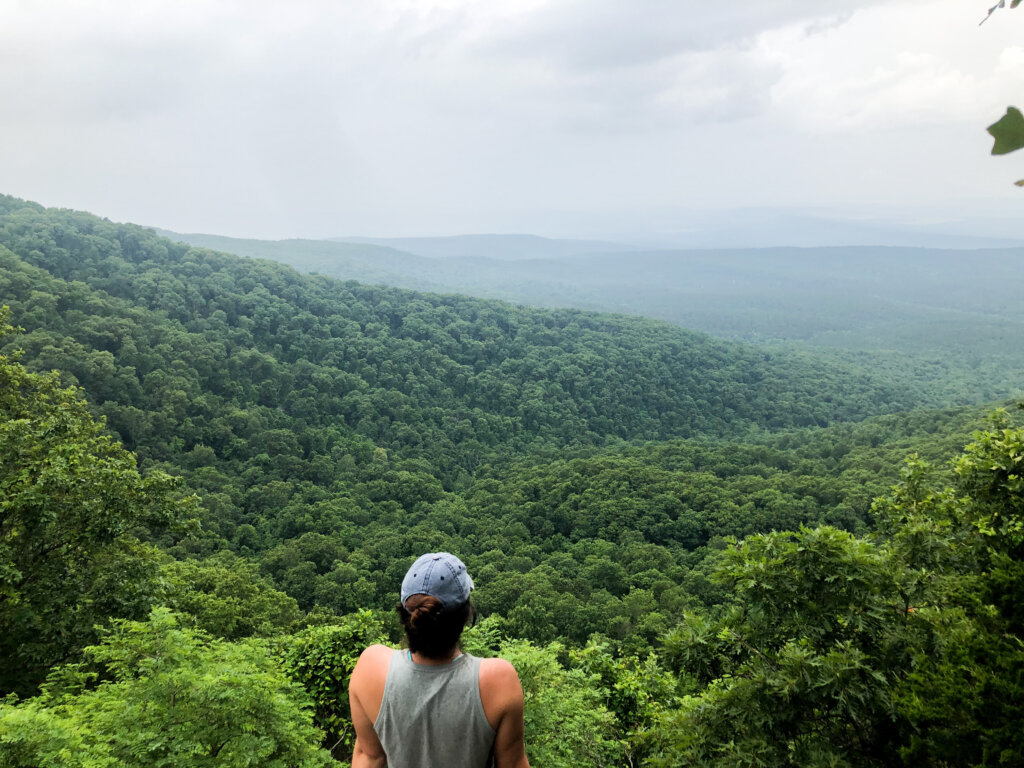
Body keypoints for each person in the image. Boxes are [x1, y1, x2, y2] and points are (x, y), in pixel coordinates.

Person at [349, 552, 530, 768]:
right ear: (465, 616)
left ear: (406, 615)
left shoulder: (371, 667)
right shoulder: (499, 681)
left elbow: (368, 757)